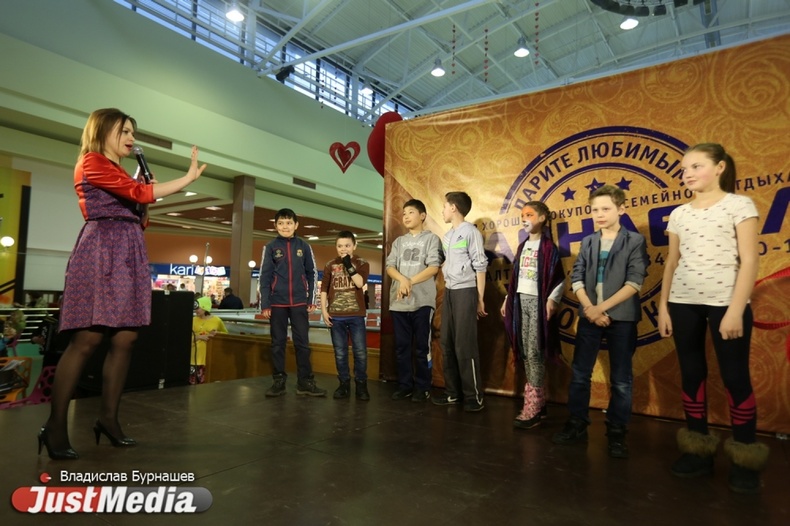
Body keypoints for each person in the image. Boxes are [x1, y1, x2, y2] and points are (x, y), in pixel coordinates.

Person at [38, 108, 206, 460]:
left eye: (132, 131)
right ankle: (54, 426)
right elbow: (139, 196)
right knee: (87, 339)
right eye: (124, 131)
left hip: (129, 249)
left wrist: (142, 190)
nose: (131, 137)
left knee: (126, 338)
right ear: (102, 131)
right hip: (101, 249)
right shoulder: (92, 161)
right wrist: (185, 179)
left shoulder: (120, 171)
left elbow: (141, 215)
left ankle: (109, 420)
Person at [657, 143, 767, 494]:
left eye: (696, 166)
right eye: (684, 168)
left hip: (726, 303)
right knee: (692, 374)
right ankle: (697, 450)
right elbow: (672, 262)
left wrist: (735, 309)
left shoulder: (739, 205)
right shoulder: (679, 214)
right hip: (682, 302)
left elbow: (749, 260)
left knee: (735, 377)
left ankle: (745, 458)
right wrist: (663, 306)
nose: (687, 173)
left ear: (719, 167)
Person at [552, 185, 648, 459]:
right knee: (580, 373)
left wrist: (600, 309)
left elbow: (634, 282)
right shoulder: (588, 241)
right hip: (589, 316)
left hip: (622, 318)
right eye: (595, 210)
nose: (599, 214)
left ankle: (617, 431)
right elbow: (577, 278)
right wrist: (590, 309)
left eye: (606, 209)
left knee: (621, 379)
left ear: (621, 209)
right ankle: (577, 423)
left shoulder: (634, 240)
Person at [501, 201, 565, 429]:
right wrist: (508, 298)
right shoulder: (522, 247)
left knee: (535, 351)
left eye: (529, 214)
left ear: (542, 218)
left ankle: (534, 405)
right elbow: (516, 277)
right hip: (521, 302)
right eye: (522, 215)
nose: (524, 219)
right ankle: (539, 402)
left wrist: (552, 300)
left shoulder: (548, 248)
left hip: (537, 303)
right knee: (526, 352)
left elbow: (558, 278)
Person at [259, 208, 326, 397]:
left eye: (289, 223)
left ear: (296, 225)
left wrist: (311, 299)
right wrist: (265, 304)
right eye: (281, 223)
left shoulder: (304, 246)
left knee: (302, 343)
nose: (285, 226)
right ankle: (278, 382)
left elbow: (312, 273)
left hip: (299, 302)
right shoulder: (270, 247)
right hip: (277, 303)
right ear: (275, 226)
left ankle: (305, 382)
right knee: (277, 344)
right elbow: (265, 277)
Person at [432, 191, 488, 412]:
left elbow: (480, 265)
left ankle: (474, 396)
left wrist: (480, 298)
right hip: (450, 292)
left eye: (445, 206)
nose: (443, 211)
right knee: (446, 342)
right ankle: (453, 393)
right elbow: (446, 263)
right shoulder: (448, 236)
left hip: (466, 291)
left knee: (465, 344)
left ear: (453, 207)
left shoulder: (471, 232)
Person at [386, 199, 443, 402]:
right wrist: (402, 280)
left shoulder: (432, 239)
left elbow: (433, 267)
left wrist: (410, 281)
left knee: (422, 347)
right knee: (402, 347)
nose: (406, 216)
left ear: (422, 215)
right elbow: (390, 266)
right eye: (404, 213)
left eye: (411, 212)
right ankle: (405, 385)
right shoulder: (399, 242)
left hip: (422, 302)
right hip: (399, 303)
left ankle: (423, 386)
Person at [320, 231, 371, 400]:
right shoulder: (330, 264)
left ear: (354, 246)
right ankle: (344, 384)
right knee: (340, 352)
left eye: (347, 245)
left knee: (360, 352)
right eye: (340, 246)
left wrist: (348, 264)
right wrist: (324, 310)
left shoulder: (362, 263)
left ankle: (361, 385)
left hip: (356, 315)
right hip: (336, 316)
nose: (343, 249)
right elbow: (324, 288)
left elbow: (360, 283)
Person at [190, 296, 228, 385]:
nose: (196, 310)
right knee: (191, 383)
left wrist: (217, 333)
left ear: (205, 308)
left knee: (205, 384)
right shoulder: (193, 320)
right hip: (193, 356)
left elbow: (226, 334)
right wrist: (198, 337)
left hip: (209, 356)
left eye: (198, 308)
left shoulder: (216, 320)